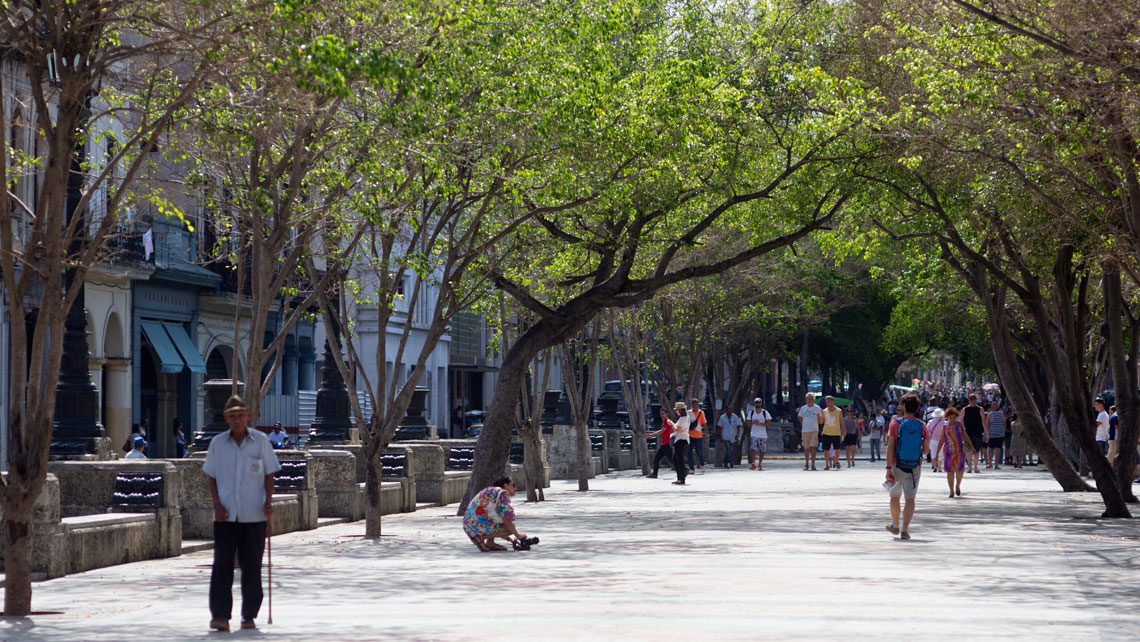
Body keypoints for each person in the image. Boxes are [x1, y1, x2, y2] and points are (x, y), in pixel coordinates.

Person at [203, 395, 281, 632]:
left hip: (253, 515)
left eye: (241, 415)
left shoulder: (260, 441)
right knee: (222, 565)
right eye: (232, 416)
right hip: (225, 517)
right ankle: (220, 615)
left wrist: (268, 502)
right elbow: (212, 477)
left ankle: (248, 615)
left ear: (248, 415)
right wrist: (216, 505)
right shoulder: (217, 443)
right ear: (226, 418)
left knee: (252, 567)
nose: (237, 419)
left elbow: (269, 474)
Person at [885, 394, 930, 540]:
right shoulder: (922, 425)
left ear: (903, 406)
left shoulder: (895, 424)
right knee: (910, 499)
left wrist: (887, 468)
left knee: (895, 497)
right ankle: (905, 530)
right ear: (917, 408)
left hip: (896, 465)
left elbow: (890, 446)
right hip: (914, 467)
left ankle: (895, 525)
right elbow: (926, 451)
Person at [463, 476, 526, 552]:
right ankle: (480, 539)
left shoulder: (492, 491)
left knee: (496, 520)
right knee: (509, 529)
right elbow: (506, 519)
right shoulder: (503, 493)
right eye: (513, 485)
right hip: (477, 525)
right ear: (506, 485)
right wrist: (518, 536)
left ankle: (490, 542)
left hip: (468, 525)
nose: (515, 489)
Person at [935, 407, 974, 497]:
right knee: (949, 471)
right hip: (948, 451)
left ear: (956, 417)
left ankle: (957, 486)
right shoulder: (944, 427)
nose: (952, 419)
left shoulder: (959, 425)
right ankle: (951, 491)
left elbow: (965, 436)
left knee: (959, 471)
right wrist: (937, 453)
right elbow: (941, 440)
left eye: (954, 417)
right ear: (947, 417)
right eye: (950, 417)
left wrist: (972, 447)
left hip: (959, 451)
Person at [647, 407, 676, 479]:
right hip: (664, 444)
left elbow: (661, 431)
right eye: (660, 413)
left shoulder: (667, 421)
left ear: (667, 414)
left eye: (663, 413)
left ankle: (683, 469)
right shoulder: (664, 422)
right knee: (657, 458)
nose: (661, 415)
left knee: (672, 460)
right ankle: (654, 474)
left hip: (667, 444)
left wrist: (651, 434)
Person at [797, 393, 823, 471]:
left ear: (813, 399)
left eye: (811, 398)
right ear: (806, 399)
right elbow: (801, 419)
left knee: (813, 447)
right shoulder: (803, 408)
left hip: (814, 430)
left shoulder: (817, 408)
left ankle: (813, 464)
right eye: (808, 398)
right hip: (805, 430)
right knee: (806, 447)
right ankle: (807, 463)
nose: (810, 400)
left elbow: (820, 420)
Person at [962, 394, 985, 473]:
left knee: (972, 451)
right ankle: (973, 467)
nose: (972, 400)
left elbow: (961, 421)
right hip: (972, 432)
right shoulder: (979, 409)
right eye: (971, 399)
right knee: (973, 451)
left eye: (973, 399)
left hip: (973, 432)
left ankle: (972, 467)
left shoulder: (965, 409)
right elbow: (983, 422)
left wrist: (986, 432)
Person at [747, 398, 771, 471]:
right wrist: (753, 422)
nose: (757, 404)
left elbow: (769, 423)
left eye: (759, 403)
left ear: (761, 404)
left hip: (762, 434)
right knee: (753, 449)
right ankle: (753, 463)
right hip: (754, 434)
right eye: (756, 403)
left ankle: (760, 464)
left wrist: (760, 424)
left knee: (762, 450)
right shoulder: (751, 413)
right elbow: (747, 423)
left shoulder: (765, 413)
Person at [820, 396, 844, 470]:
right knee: (826, 449)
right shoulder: (824, 411)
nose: (827, 403)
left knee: (837, 449)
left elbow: (842, 423)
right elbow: (822, 422)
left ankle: (836, 460)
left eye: (829, 402)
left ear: (832, 402)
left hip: (836, 432)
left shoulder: (839, 411)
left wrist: (843, 434)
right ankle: (827, 464)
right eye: (826, 402)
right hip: (826, 432)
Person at [671, 402, 691, 485]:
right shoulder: (686, 417)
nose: (676, 412)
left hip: (681, 440)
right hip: (682, 440)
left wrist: (671, 423)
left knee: (679, 460)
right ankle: (681, 475)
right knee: (676, 459)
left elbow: (677, 431)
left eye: (677, 410)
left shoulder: (683, 419)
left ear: (680, 410)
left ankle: (681, 478)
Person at [717, 404, 742, 468]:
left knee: (729, 450)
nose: (730, 410)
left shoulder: (735, 416)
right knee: (729, 449)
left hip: (733, 435)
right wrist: (721, 436)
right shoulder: (722, 417)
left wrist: (738, 434)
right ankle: (731, 462)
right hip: (725, 435)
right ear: (725, 410)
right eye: (729, 409)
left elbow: (738, 426)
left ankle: (725, 463)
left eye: (731, 409)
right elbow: (720, 428)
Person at [687, 399, 708, 473]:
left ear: (698, 404)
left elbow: (704, 423)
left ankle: (702, 465)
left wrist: (707, 434)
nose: (695, 405)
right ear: (691, 405)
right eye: (693, 404)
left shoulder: (701, 413)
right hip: (690, 435)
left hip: (698, 436)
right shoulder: (688, 413)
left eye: (696, 404)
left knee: (699, 452)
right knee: (689, 452)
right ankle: (691, 468)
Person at [984, 401, 1005, 469]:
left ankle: (990, 463)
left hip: (992, 434)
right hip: (1000, 434)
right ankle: (996, 464)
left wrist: (986, 434)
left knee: (990, 448)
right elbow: (1004, 424)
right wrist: (1003, 432)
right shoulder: (1002, 414)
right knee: (998, 448)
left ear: (992, 407)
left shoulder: (990, 414)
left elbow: (987, 425)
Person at [926, 408, 946, 473]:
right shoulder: (944, 422)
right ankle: (939, 468)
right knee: (940, 454)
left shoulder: (930, 422)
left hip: (932, 440)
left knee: (934, 453)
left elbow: (927, 430)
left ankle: (935, 467)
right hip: (941, 440)